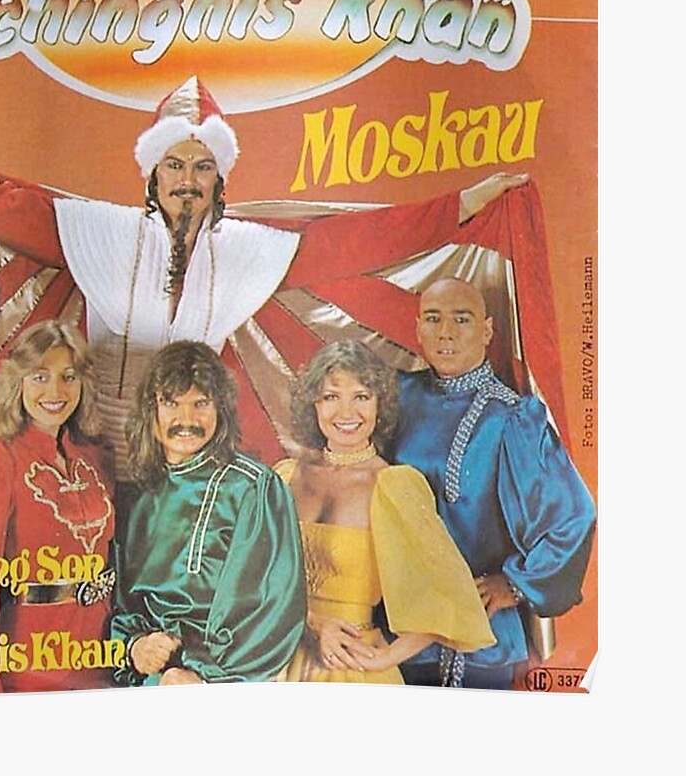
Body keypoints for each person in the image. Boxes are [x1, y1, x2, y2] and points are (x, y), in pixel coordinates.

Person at [0, 77, 526, 478]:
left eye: (201, 167)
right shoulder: (97, 232)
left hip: (189, 447)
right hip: (92, 441)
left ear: (220, 179)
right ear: (152, 174)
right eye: (174, 165)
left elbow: (354, 242)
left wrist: (463, 205)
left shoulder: (248, 250)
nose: (187, 180)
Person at [389, 276, 597, 689]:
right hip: (399, 628)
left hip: (477, 641)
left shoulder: (512, 418)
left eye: (461, 319)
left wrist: (514, 585)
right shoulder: (398, 396)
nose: (445, 332)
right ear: (418, 328)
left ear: (487, 331)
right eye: (433, 318)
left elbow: (573, 518)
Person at [276, 341, 494, 685]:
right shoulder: (285, 477)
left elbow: (451, 598)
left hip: (351, 670)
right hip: (278, 661)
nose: (346, 412)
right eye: (331, 396)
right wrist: (314, 623)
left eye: (361, 396)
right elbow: (250, 582)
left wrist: (385, 658)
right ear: (313, 404)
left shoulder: (393, 486)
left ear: (380, 404)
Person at [110, 340, 305, 685]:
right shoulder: (135, 496)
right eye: (171, 403)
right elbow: (120, 604)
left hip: (220, 684)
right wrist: (134, 646)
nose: (186, 420)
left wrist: (201, 677)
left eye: (201, 403)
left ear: (221, 409)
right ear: (150, 411)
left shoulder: (253, 488)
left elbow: (270, 609)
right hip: (146, 678)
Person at [0, 320, 116, 693]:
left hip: (101, 656)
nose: (55, 391)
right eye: (40, 377)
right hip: (29, 663)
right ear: (17, 382)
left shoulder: (94, 459)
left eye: (68, 377)